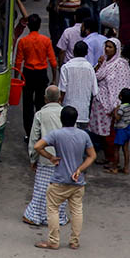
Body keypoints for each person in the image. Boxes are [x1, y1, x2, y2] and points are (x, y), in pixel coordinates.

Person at [32, 105, 96, 250]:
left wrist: (51, 157)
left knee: (53, 209)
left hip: (59, 180)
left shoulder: (56, 134)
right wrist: (79, 169)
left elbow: (37, 146)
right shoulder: (84, 135)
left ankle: (54, 241)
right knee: (77, 211)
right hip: (78, 181)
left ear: (61, 119)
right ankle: (74, 241)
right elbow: (92, 156)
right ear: (75, 120)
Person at [24, 85, 69, 227]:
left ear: (45, 99)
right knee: (60, 190)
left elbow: (34, 139)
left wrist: (33, 158)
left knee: (41, 189)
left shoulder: (40, 115)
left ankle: (35, 216)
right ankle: (58, 216)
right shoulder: (66, 113)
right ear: (60, 98)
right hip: (63, 159)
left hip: (45, 157)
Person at [89, 37, 130, 170]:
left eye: (110, 47)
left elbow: (121, 84)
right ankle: (109, 157)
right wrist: (99, 63)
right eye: (106, 46)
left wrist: (116, 104)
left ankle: (114, 160)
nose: (107, 49)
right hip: (100, 102)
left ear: (117, 49)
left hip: (111, 103)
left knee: (111, 133)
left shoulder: (120, 65)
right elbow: (94, 76)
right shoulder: (105, 62)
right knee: (103, 133)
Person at [16, 14, 58, 136]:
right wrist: (54, 79)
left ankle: (29, 133)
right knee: (40, 103)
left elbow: (18, 62)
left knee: (27, 105)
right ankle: (40, 131)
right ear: (39, 25)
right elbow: (53, 62)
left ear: (28, 25)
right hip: (41, 74)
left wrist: (16, 79)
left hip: (28, 74)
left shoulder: (23, 41)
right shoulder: (46, 41)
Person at [58, 41, 98, 128]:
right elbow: (95, 92)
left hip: (67, 112)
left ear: (73, 51)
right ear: (86, 53)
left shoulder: (66, 67)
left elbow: (62, 90)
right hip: (83, 113)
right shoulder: (90, 68)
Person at [112, 88, 130, 174]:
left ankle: (114, 167)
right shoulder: (128, 106)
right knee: (126, 149)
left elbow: (118, 118)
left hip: (121, 130)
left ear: (121, 97)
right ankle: (126, 168)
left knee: (116, 149)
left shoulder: (121, 107)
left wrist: (115, 111)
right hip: (127, 128)